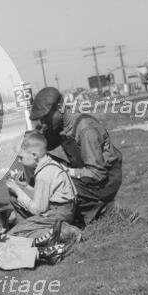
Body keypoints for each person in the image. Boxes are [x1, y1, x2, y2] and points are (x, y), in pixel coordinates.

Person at [29, 87, 122, 226]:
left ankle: (103, 209)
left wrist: (65, 172)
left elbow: (97, 173)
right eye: (41, 119)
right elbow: (42, 148)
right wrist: (36, 136)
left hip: (105, 181)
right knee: (38, 163)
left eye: (45, 117)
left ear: (60, 108)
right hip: (88, 175)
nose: (43, 123)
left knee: (57, 181)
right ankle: (80, 212)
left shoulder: (85, 129)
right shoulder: (60, 125)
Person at [5, 131, 81, 241]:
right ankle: (34, 227)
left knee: (14, 235)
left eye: (20, 157)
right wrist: (23, 187)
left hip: (56, 214)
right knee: (16, 208)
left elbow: (38, 210)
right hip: (65, 210)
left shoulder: (43, 175)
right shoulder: (50, 164)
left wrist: (17, 190)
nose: (18, 161)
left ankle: (65, 232)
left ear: (34, 155)